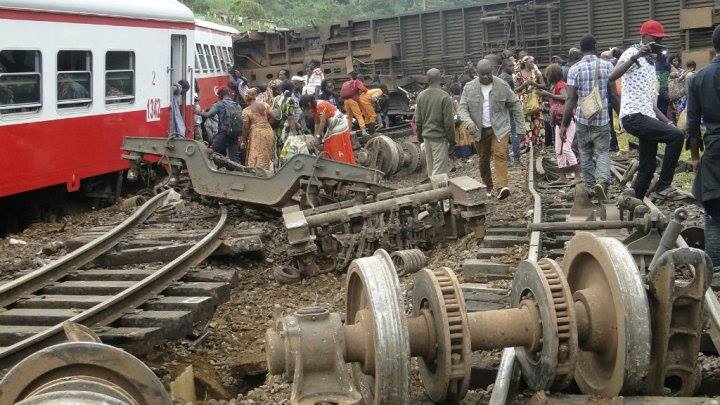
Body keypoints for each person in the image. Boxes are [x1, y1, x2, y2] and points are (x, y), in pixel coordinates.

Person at [609, 20, 685, 201]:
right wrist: (637, 56)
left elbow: (651, 103)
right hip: (634, 115)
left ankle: (637, 200)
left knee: (648, 165)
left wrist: (667, 122)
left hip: (646, 114)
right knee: (676, 136)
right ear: (644, 37)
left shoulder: (652, 64)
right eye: (655, 38)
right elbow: (612, 76)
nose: (657, 42)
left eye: (660, 39)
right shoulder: (632, 53)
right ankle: (664, 186)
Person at [560, 34, 618, 199]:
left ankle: (592, 187)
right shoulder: (607, 66)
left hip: (583, 119)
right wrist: (621, 116)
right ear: (595, 46)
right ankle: (602, 182)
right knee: (602, 152)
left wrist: (564, 125)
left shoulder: (574, 69)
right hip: (602, 119)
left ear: (580, 49)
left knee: (585, 152)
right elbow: (613, 96)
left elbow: (571, 99)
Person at [459, 59, 525, 201]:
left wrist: (520, 128)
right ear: (477, 73)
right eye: (482, 74)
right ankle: (487, 186)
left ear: (492, 72)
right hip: (479, 130)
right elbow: (462, 108)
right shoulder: (469, 88)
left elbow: (515, 105)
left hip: (499, 128)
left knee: (500, 154)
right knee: (483, 160)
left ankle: (502, 187)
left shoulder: (502, 85)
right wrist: (468, 122)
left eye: (488, 74)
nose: (486, 77)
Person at [686, 24, 720, 270]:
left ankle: (715, 270)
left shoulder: (699, 78)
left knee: (714, 214)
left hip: (715, 151)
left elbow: (692, 124)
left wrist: (696, 157)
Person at [537, 64, 581, 184]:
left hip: (566, 122)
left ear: (552, 75)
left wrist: (549, 95)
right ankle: (562, 177)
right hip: (558, 122)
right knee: (558, 150)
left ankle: (577, 175)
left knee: (566, 149)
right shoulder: (554, 86)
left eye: (548, 75)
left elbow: (565, 98)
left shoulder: (561, 85)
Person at [414, 68, 456, 178]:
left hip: (426, 138)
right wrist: (452, 141)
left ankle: (434, 190)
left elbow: (418, 120)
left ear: (427, 80)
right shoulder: (444, 97)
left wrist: (419, 137)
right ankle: (438, 193)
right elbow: (449, 123)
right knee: (439, 173)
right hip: (439, 139)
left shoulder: (421, 96)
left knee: (431, 168)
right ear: (441, 79)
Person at [299, 95, 356, 164]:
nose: (306, 110)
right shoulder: (313, 109)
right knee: (327, 142)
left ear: (309, 104)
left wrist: (318, 137)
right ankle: (332, 162)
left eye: (305, 108)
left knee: (332, 142)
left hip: (339, 124)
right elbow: (317, 124)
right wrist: (315, 138)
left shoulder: (320, 106)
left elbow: (322, 122)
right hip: (332, 125)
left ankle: (340, 162)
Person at [198, 86, 241, 163]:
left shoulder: (219, 104)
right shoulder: (237, 105)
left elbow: (209, 115)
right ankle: (239, 172)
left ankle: (204, 168)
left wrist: (197, 112)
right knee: (234, 155)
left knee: (211, 150)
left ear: (220, 95)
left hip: (224, 132)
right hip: (234, 132)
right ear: (228, 93)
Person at [515, 56, 546, 151]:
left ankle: (541, 145)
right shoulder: (518, 75)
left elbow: (544, 86)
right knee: (527, 123)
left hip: (536, 101)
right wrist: (524, 85)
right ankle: (530, 145)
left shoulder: (536, 73)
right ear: (525, 63)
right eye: (530, 62)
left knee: (539, 123)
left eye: (533, 62)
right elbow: (516, 90)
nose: (533, 64)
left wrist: (533, 84)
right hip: (525, 103)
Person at [240, 88, 275, 171]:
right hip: (268, 131)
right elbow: (274, 117)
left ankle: (257, 174)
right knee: (266, 153)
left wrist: (243, 141)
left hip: (256, 134)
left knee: (255, 154)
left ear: (246, 99)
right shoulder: (265, 105)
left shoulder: (246, 111)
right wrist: (266, 125)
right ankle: (267, 171)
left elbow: (245, 127)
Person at [499, 59, 521, 163]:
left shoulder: (499, 77)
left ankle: (507, 157)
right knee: (514, 132)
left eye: (513, 66)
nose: (512, 68)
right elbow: (510, 95)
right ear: (504, 67)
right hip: (510, 108)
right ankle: (516, 157)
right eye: (510, 66)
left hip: (502, 109)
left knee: (504, 133)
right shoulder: (507, 78)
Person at [341, 71, 372, 136]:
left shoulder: (346, 83)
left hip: (346, 101)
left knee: (349, 117)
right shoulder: (357, 82)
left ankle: (349, 131)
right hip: (353, 100)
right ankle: (363, 131)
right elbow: (364, 89)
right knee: (359, 115)